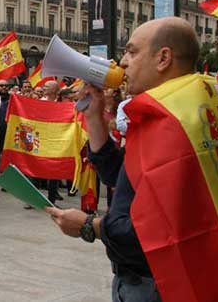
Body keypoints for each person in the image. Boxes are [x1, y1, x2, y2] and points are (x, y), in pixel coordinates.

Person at [46, 17, 204, 301]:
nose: (123, 62)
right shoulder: (177, 111)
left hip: (156, 282)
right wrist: (94, 119)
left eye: (132, 52)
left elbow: (152, 230)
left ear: (163, 58)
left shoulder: (172, 124)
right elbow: (125, 177)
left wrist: (88, 225)